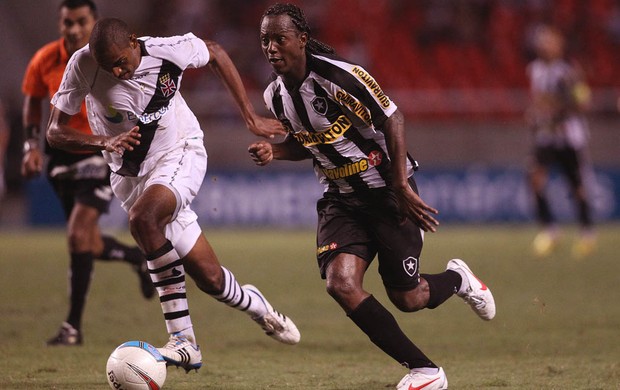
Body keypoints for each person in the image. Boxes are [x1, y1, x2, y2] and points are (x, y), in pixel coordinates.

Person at [248, 4, 495, 389]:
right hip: (340, 198)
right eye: (265, 39)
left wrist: (399, 184)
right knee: (341, 284)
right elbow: (309, 144)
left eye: (279, 38)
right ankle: (426, 371)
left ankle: (458, 279)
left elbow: (392, 117)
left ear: (302, 39)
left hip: (387, 192)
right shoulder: (275, 96)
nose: (271, 47)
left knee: (408, 298)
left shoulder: (340, 77)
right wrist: (275, 151)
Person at [46, 17, 299, 372]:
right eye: (109, 66)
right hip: (131, 176)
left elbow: (215, 52)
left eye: (122, 61)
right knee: (210, 278)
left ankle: (184, 341)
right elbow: (55, 132)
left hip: (180, 151)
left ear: (134, 42)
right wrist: (103, 141)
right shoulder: (82, 64)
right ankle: (255, 304)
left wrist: (250, 117)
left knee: (143, 219)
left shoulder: (168, 50)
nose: (118, 71)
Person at [21, 0, 155, 347]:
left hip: (100, 153)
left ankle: (72, 327)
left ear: (94, 24)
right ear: (60, 24)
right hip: (62, 157)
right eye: (68, 22)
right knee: (87, 243)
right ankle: (136, 257)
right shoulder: (44, 59)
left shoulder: (103, 59)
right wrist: (30, 146)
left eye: (82, 22)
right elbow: (33, 100)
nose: (74, 29)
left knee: (78, 236)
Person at [525, 25, 596, 258]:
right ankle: (551, 230)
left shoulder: (567, 71)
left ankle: (587, 233)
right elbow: (538, 101)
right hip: (546, 135)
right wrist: (535, 114)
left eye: (549, 41)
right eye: (542, 41)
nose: (544, 45)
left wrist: (555, 109)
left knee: (577, 187)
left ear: (559, 45)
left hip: (568, 136)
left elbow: (581, 102)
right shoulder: (534, 70)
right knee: (535, 178)